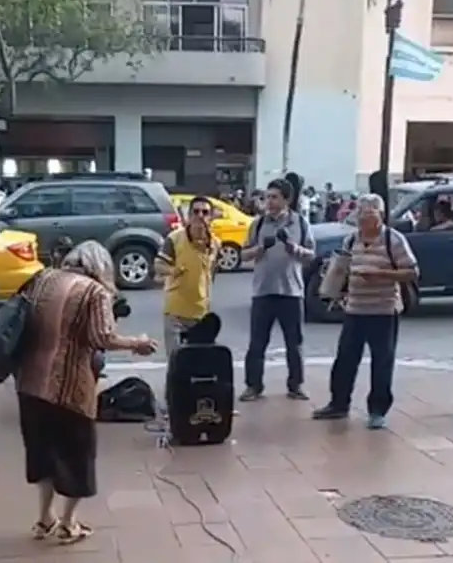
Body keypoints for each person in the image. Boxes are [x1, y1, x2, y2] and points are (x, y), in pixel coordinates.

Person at [15, 241, 158, 544]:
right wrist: (137, 343)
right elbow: (101, 337)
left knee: (42, 453)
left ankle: (44, 518)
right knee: (77, 456)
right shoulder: (94, 292)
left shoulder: (44, 278)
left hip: (29, 383)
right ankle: (68, 522)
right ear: (101, 267)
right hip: (69, 389)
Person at [312, 194, 419, 427]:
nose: (363, 219)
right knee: (345, 360)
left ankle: (377, 411)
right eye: (360, 214)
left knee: (382, 362)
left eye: (369, 214)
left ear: (379, 215)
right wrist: (336, 283)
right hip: (355, 309)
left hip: (384, 310)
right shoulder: (351, 241)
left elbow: (412, 272)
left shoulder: (394, 240)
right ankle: (338, 404)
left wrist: (380, 274)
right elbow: (340, 271)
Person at [239, 179, 315, 401]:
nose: (269, 202)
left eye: (274, 197)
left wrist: (294, 248)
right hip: (263, 291)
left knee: (294, 343)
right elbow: (243, 255)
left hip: (291, 292)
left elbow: (311, 255)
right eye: (267, 197)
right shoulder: (258, 224)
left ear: (286, 200)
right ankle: (253, 385)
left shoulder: (300, 223)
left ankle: (296, 385)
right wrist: (260, 249)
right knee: (257, 343)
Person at [154, 196, 221, 357]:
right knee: (176, 362)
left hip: (201, 314)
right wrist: (174, 271)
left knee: (198, 362)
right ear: (189, 216)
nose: (200, 216)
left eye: (205, 212)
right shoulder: (175, 239)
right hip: (176, 313)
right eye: (196, 212)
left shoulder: (215, 244)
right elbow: (158, 266)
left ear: (211, 217)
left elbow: (211, 273)